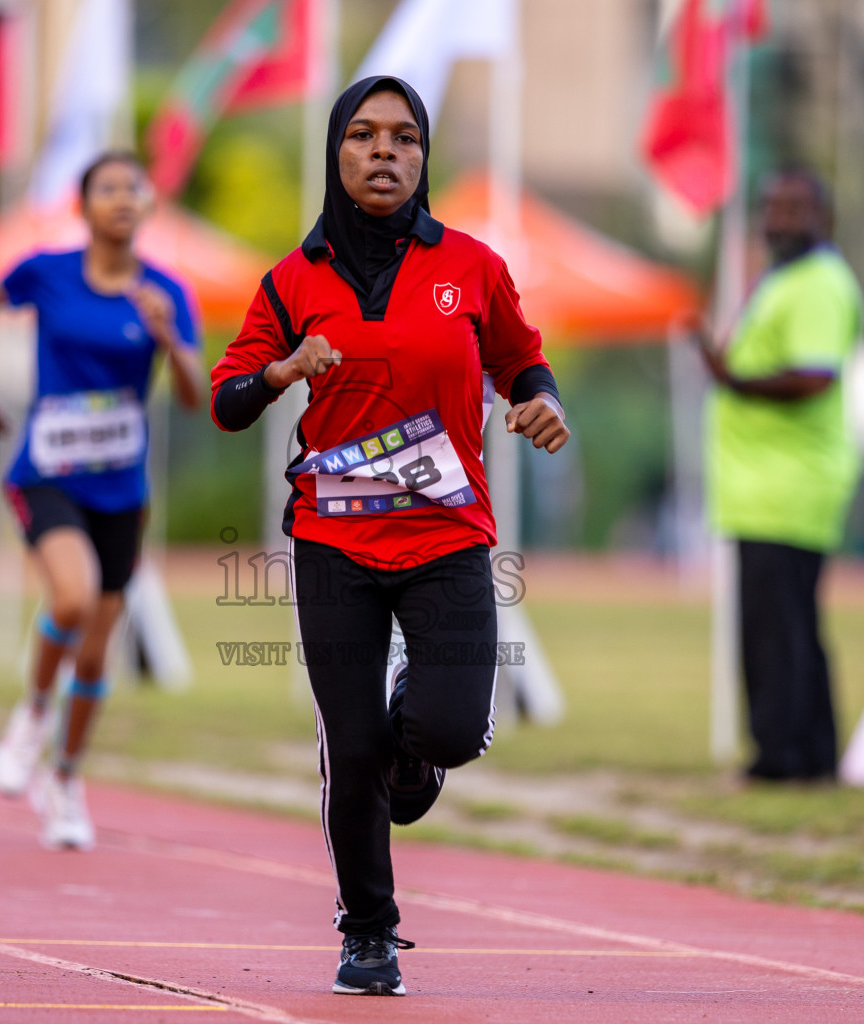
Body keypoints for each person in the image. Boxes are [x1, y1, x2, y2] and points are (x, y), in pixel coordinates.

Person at [210, 76, 568, 997]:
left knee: (445, 732)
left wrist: (540, 403)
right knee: (351, 741)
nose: (384, 152)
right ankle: (367, 931)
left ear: (423, 157)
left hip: (448, 530)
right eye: (364, 136)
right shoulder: (293, 281)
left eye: (404, 138)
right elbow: (226, 399)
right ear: (336, 153)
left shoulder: (473, 267)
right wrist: (286, 366)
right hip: (333, 537)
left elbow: (522, 360)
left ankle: (415, 737)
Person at [0, 153, 204, 849]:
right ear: (84, 205)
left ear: (149, 204)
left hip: (121, 491)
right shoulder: (47, 271)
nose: (123, 197)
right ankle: (32, 714)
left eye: (135, 187)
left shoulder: (165, 292)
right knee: (71, 599)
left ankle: (64, 781)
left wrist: (168, 340)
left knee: (96, 654)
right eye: (108, 188)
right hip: (47, 472)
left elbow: (193, 396)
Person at [694, 167, 864, 784]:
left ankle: (782, 758)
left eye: (794, 209)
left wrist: (731, 379)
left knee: (776, 631)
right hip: (766, 482)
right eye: (772, 207)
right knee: (790, 625)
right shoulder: (785, 278)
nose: (779, 220)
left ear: (826, 217)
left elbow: (814, 375)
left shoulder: (819, 282)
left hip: (788, 481)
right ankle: (813, 753)